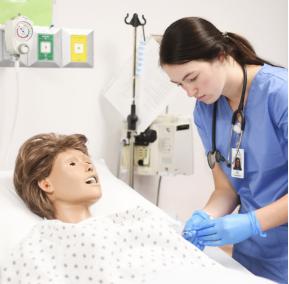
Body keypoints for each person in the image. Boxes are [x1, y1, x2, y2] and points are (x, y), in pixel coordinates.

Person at [3, 132, 253, 284]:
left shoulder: (138, 218)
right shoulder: (44, 241)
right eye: (73, 163)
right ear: (45, 183)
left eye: (88, 162)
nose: (90, 167)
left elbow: (197, 265)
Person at [159, 17, 288, 283]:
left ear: (221, 55)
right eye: (179, 84)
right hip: (251, 253)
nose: (189, 91)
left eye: (192, 78)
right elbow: (226, 189)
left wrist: (252, 222)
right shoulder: (206, 110)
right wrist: (205, 218)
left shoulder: (280, 94)